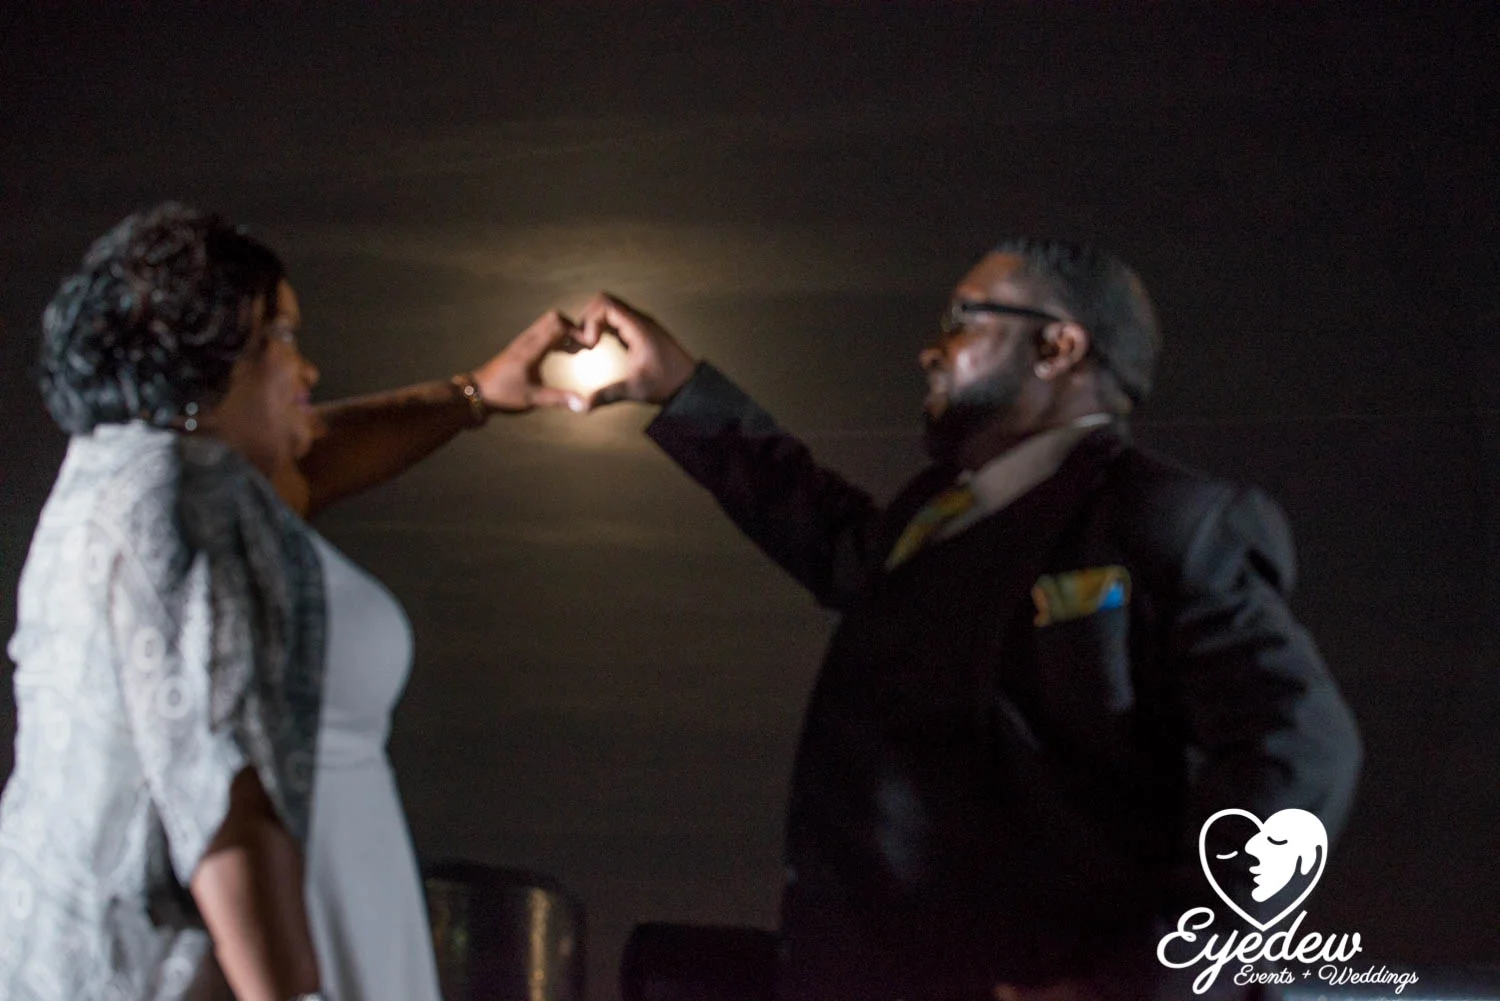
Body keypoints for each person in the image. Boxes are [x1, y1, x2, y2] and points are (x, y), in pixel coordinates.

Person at [571, 238, 1363, 1001]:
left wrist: (1148, 977)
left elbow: (1302, 749)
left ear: (1056, 347)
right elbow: (823, 528)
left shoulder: (1164, 517)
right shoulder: (932, 516)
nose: (931, 350)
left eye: (963, 319)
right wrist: (681, 389)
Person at [0, 203, 588, 1001]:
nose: (306, 371)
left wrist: (474, 393)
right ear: (202, 341)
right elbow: (226, 800)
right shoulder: (185, 495)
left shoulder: (122, 477)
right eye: (281, 335)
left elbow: (302, 463)